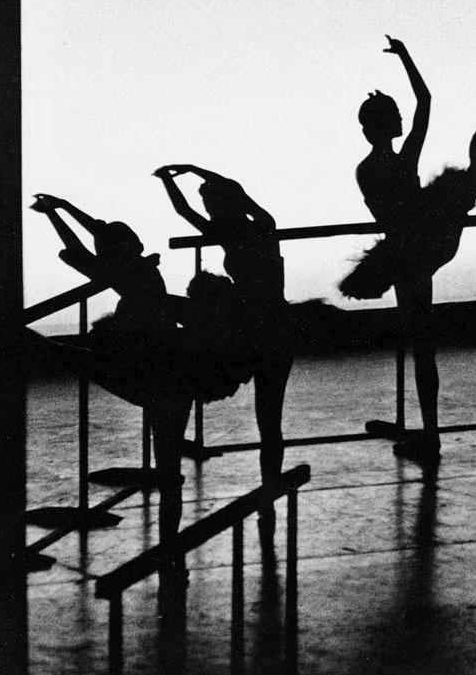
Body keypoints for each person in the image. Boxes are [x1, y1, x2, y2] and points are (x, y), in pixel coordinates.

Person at [29, 193, 212, 576]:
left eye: (114, 250)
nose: (111, 254)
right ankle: (169, 547)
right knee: (168, 470)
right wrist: (63, 207)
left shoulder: (132, 274)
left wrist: (55, 216)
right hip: (166, 373)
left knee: (60, 351)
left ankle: (169, 547)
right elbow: (101, 234)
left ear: (130, 249)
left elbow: (82, 248)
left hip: (158, 377)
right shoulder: (138, 267)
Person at [340, 36, 476, 462]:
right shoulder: (403, 162)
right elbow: (425, 100)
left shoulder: (368, 169)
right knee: (420, 344)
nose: (405, 120)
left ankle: (431, 435)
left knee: (421, 344)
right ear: (385, 126)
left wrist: (404, 55)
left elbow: (422, 103)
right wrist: (404, 56)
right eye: (397, 117)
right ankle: (472, 173)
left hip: (408, 254)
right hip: (429, 244)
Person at [153, 164, 291, 553]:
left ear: (220, 207)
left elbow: (185, 213)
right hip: (279, 326)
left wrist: (169, 179)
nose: (210, 213)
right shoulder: (264, 224)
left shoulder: (228, 233)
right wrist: (194, 169)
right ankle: (269, 497)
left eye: (212, 205)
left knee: (263, 414)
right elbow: (238, 191)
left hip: (252, 331)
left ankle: (175, 438)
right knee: (270, 419)